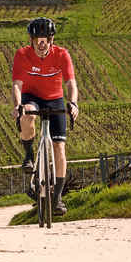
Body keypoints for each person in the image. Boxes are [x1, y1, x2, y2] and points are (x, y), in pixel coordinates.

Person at [12, 17, 80, 215]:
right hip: (31, 97)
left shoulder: (62, 55)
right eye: (37, 41)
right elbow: (17, 85)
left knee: (59, 148)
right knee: (28, 115)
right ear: (31, 40)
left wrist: (73, 103)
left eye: (45, 41)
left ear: (51, 40)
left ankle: (57, 198)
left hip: (54, 99)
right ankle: (28, 155)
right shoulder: (22, 55)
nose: (41, 45)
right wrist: (18, 105)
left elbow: (71, 83)